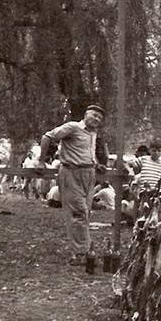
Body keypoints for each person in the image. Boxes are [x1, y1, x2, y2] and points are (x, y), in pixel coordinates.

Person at [39, 104, 106, 266]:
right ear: (85, 114)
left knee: (86, 213)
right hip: (71, 172)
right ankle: (81, 254)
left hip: (88, 174)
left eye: (99, 118)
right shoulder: (73, 127)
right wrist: (41, 160)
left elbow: (86, 153)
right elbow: (47, 136)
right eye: (93, 115)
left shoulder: (93, 134)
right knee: (79, 212)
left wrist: (96, 164)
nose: (96, 119)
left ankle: (82, 251)